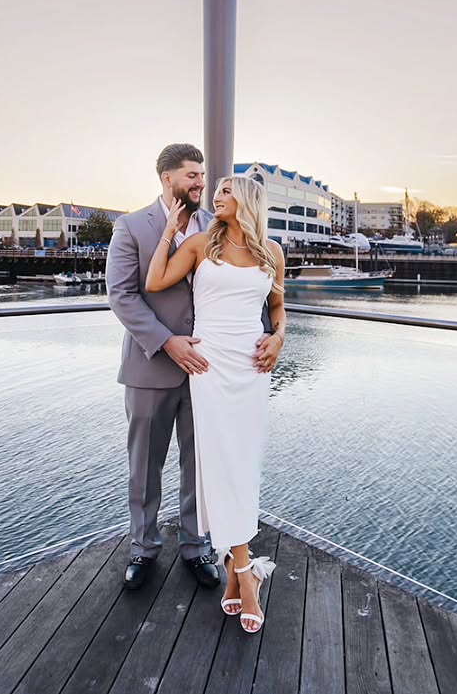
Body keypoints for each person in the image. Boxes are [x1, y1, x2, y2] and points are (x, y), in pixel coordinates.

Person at [145, 175, 286, 633]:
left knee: (242, 465)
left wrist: (279, 338)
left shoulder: (272, 252)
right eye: (217, 191)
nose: (216, 197)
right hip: (209, 364)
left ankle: (234, 567)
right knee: (219, 464)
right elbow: (154, 281)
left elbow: (278, 309)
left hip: (251, 367)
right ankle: (246, 575)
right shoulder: (200, 243)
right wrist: (169, 230)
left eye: (226, 191)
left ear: (246, 200)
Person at [105, 143, 222, 591]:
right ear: (167, 178)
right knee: (144, 466)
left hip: (205, 368)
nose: (200, 183)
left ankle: (196, 545)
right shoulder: (132, 226)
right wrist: (167, 342)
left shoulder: (216, 225)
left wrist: (271, 330)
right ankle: (143, 548)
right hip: (150, 367)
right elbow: (122, 295)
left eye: (202, 175)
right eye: (192, 175)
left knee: (200, 464)